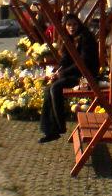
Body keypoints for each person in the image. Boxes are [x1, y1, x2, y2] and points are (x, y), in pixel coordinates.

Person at [39, 14, 99, 143]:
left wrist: (62, 74)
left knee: (56, 88)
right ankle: (50, 130)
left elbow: (83, 62)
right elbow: (65, 59)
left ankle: (60, 126)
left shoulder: (86, 38)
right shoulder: (68, 38)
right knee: (49, 88)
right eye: (69, 25)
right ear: (65, 26)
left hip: (86, 76)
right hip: (74, 73)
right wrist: (56, 71)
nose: (72, 27)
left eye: (74, 24)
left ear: (79, 25)